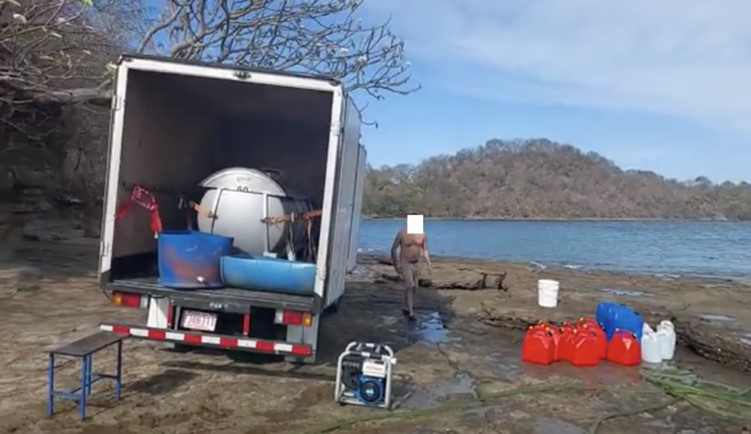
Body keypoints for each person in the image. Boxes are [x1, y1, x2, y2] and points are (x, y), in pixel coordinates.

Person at [390, 225, 432, 321]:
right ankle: (411, 313)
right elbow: (394, 248)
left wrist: (428, 263)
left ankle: (407, 307)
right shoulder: (402, 233)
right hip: (405, 262)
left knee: (415, 287)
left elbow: (424, 249)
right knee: (410, 285)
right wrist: (396, 265)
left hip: (416, 263)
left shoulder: (422, 234)